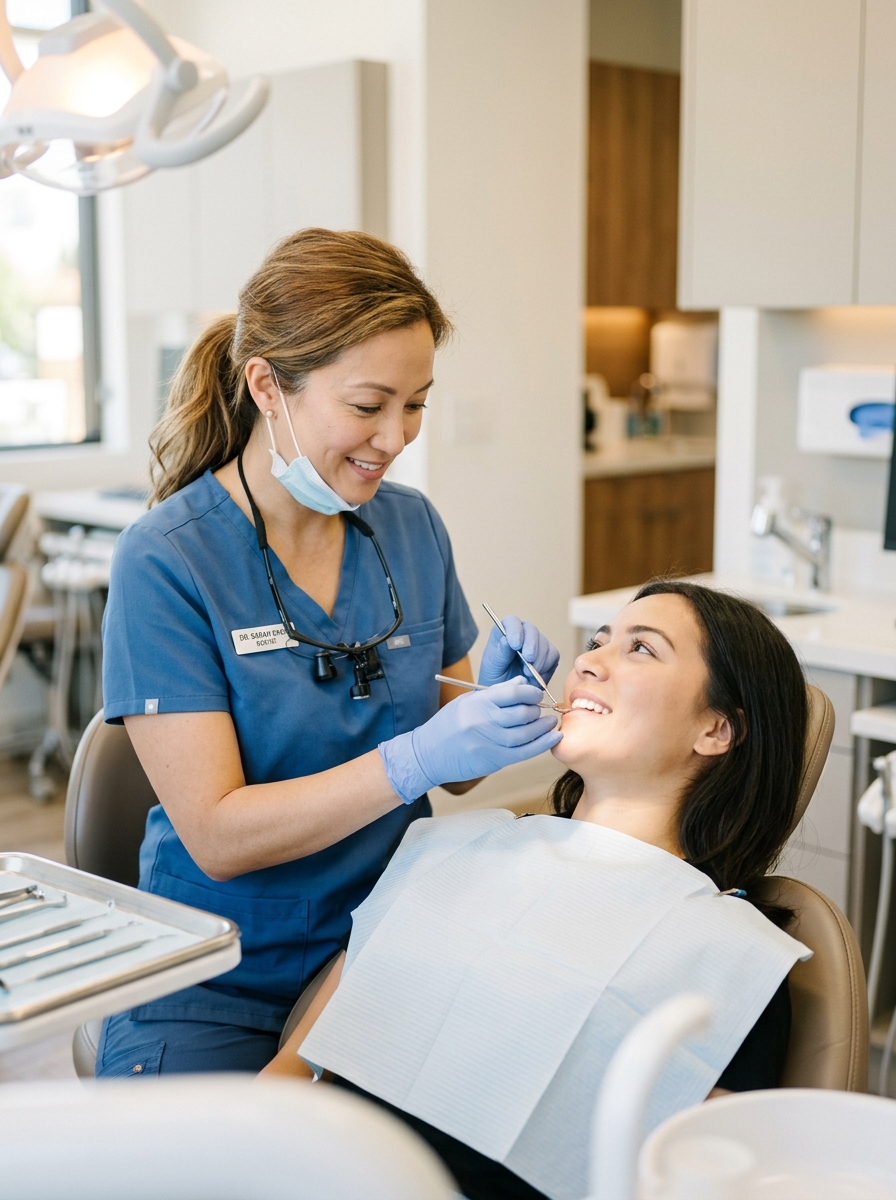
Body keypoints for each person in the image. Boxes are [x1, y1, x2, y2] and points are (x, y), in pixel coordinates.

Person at [96, 228, 562, 1078]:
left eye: (417, 403)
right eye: (367, 404)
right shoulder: (168, 559)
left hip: (393, 937)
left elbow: (452, 768)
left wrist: (489, 707)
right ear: (267, 385)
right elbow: (219, 837)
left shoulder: (411, 526)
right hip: (215, 967)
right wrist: (416, 754)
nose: (396, 436)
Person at [263, 580, 810, 1200]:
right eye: (598, 642)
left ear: (716, 729)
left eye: (641, 650)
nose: (585, 661)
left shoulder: (731, 963)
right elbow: (293, 1072)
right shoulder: (453, 852)